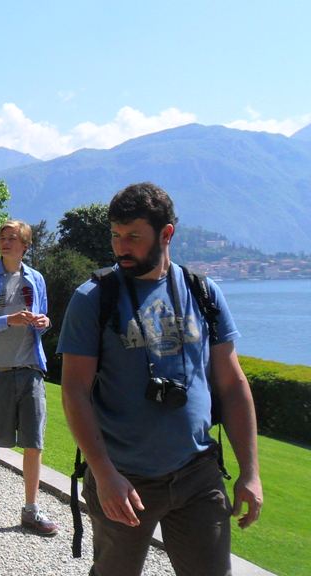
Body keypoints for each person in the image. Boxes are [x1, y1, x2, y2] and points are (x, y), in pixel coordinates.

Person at [58, 182, 262, 575]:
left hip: (197, 473)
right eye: (116, 235)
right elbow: (75, 392)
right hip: (124, 477)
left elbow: (233, 385)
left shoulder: (203, 293)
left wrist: (250, 472)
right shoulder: (93, 298)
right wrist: (103, 474)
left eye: (134, 236)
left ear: (166, 234)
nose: (121, 247)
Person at [0, 219, 57, 537]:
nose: (5, 241)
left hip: (30, 369)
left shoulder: (36, 279)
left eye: (12, 238)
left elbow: (40, 320)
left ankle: (30, 510)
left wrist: (42, 322)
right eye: (2, 236)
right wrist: (7, 320)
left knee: (35, 441)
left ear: (25, 246)